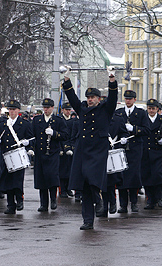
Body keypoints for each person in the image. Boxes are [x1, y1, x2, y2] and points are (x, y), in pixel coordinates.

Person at [62, 66, 118, 230]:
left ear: (99, 99)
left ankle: (99, 198)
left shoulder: (106, 109)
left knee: (92, 177)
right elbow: (71, 97)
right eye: (88, 97)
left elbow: (113, 97)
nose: (90, 99)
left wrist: (112, 79)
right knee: (84, 185)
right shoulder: (82, 109)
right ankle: (88, 220)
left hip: (98, 149)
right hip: (82, 148)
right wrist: (67, 80)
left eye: (93, 97)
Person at [115, 90, 150, 213]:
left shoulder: (140, 113)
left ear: (135, 99)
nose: (128, 100)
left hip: (135, 148)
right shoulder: (118, 113)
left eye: (130, 99)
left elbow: (147, 130)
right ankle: (123, 204)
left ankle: (134, 203)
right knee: (121, 176)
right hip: (122, 147)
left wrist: (134, 129)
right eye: (126, 98)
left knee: (134, 175)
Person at [0, 100, 33, 214]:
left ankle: (20, 200)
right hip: (6, 156)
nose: (11, 112)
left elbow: (31, 139)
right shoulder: (3, 124)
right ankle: (10, 205)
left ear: (18, 110)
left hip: (18, 155)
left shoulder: (25, 124)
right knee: (8, 182)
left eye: (14, 109)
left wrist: (28, 145)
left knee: (17, 180)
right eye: (10, 109)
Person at [32, 98, 68, 211]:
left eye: (48, 107)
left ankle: (53, 199)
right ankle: (43, 203)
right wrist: (31, 148)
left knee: (52, 177)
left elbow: (65, 135)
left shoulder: (58, 120)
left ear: (52, 108)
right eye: (44, 107)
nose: (46, 109)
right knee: (41, 178)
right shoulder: (37, 120)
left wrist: (55, 134)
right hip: (40, 153)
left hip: (52, 153)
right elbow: (33, 136)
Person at [97, 111, 129, 217]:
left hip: (113, 152)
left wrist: (123, 141)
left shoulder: (118, 120)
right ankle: (105, 206)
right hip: (100, 152)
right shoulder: (97, 118)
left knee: (111, 181)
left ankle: (112, 202)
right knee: (103, 181)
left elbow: (124, 133)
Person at [141, 99, 162, 210]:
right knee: (147, 176)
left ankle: (160, 197)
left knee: (159, 176)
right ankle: (150, 200)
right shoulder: (143, 120)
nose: (151, 111)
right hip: (146, 152)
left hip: (158, 152)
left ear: (157, 109)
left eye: (153, 109)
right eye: (149, 108)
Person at [58, 102, 76, 198]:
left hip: (70, 148)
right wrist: (61, 149)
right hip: (61, 148)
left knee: (70, 170)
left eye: (69, 110)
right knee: (62, 171)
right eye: (66, 110)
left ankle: (69, 188)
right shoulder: (60, 120)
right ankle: (62, 190)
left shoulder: (73, 121)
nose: (68, 112)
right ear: (62, 110)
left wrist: (71, 147)